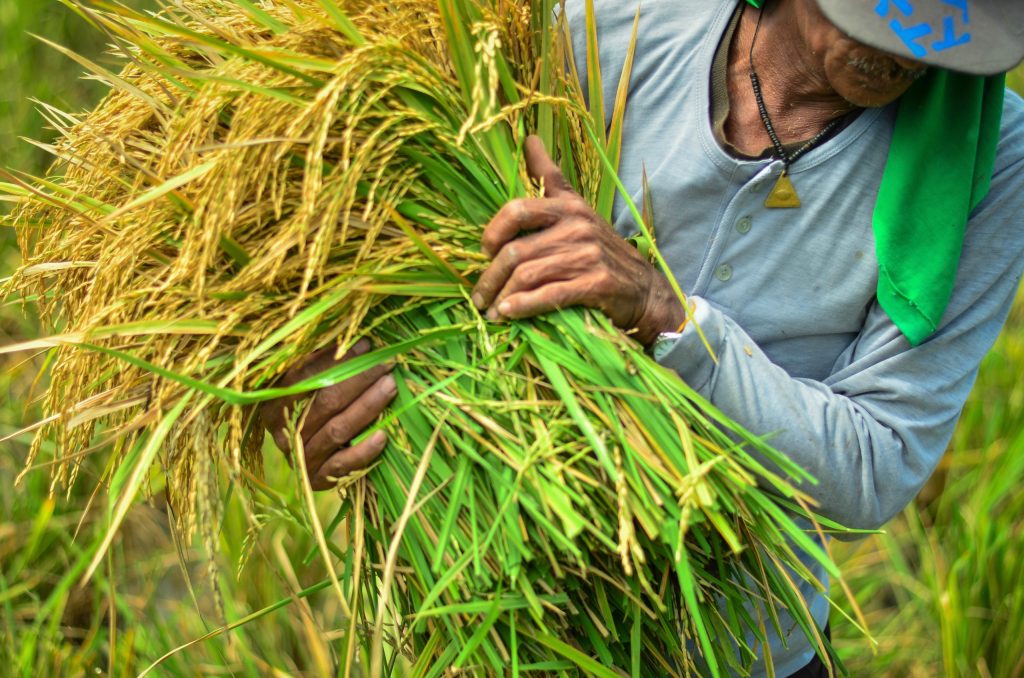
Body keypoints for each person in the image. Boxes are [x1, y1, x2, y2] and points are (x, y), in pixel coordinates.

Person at [259, 0, 1024, 674]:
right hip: (486, 616)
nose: (911, 54)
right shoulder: (609, 26)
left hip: (741, 645)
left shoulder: (992, 160)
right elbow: (383, 246)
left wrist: (667, 317)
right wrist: (336, 384)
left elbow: (876, 462)